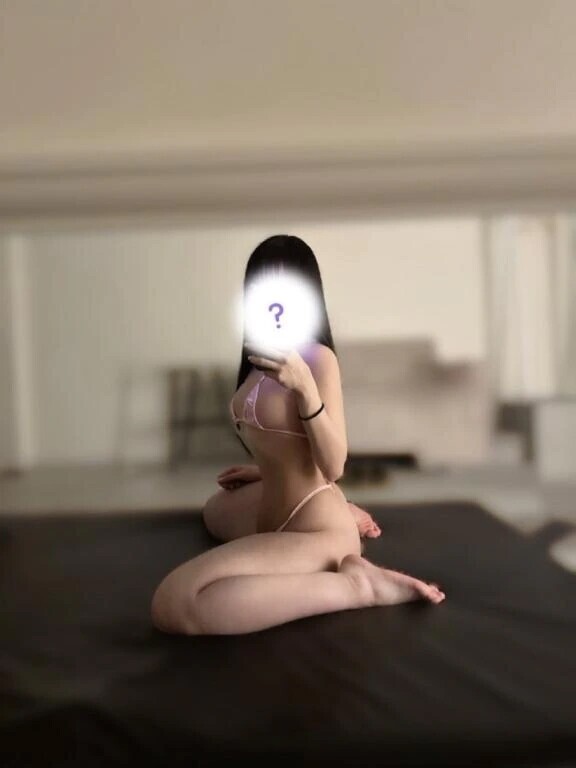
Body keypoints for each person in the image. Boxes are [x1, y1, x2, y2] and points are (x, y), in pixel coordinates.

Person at [151, 235, 445, 635]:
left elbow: (335, 465)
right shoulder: (257, 359)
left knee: (176, 603)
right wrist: (266, 470)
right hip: (272, 507)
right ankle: (343, 508)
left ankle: (357, 585)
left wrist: (305, 388)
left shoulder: (317, 359)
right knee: (216, 508)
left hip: (312, 522)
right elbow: (283, 438)